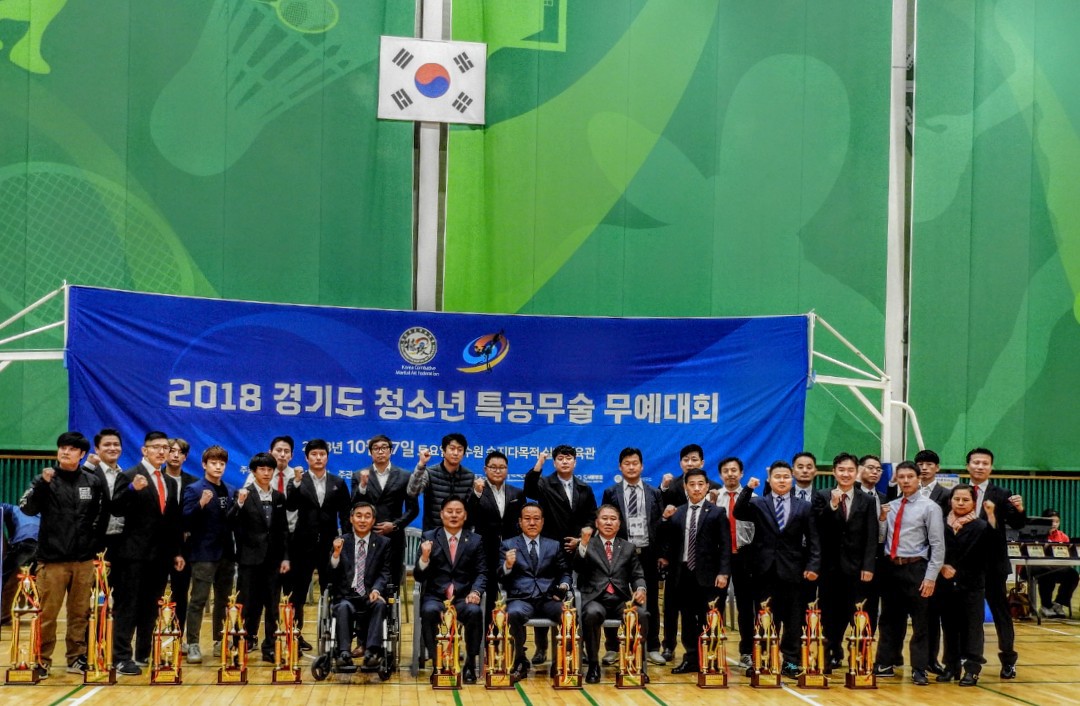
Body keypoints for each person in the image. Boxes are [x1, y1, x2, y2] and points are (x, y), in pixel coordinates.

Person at [18, 431, 107, 678]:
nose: (65, 452)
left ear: (82, 454)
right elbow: (27, 508)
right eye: (62, 447)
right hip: (52, 560)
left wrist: (92, 546)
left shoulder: (92, 481)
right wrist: (41, 485)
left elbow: (99, 516)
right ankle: (41, 660)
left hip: (83, 560)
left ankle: (76, 658)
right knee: (47, 614)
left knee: (80, 613)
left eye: (71, 449)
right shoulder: (45, 478)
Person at [733, 460, 820, 678]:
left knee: (793, 619)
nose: (782, 480)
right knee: (765, 617)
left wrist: (813, 565)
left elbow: (814, 540)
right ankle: (763, 660)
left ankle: (790, 661)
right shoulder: (759, 503)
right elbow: (738, 512)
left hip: (794, 571)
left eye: (785, 477)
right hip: (764, 571)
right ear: (770, 480)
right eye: (777, 477)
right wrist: (747, 489)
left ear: (792, 479)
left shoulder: (804, 506)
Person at [110, 431, 184, 677]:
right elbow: (116, 508)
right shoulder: (129, 475)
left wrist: (177, 552)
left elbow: (173, 520)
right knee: (128, 605)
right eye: (156, 447)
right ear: (144, 450)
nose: (162, 452)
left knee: (151, 606)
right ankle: (121, 656)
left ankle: (143, 652)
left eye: (166, 447)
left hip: (160, 556)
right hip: (132, 554)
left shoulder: (169, 482)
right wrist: (132, 489)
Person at [872, 461, 945, 686]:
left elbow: (938, 545)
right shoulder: (890, 506)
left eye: (910, 477)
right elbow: (881, 538)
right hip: (892, 567)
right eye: (901, 477)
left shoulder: (930, 507)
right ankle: (885, 662)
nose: (905, 481)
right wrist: (882, 520)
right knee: (889, 619)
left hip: (916, 568)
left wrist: (931, 577)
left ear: (918, 479)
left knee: (921, 622)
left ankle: (919, 668)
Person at [522, 444, 597, 664]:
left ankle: (577, 645)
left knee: (576, 600)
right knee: (545, 595)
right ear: (554, 463)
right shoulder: (545, 484)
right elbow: (529, 489)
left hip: (577, 550)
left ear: (575, 462)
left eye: (569, 458)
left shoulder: (584, 488)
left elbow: (592, 517)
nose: (565, 461)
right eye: (560, 459)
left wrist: (581, 539)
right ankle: (541, 647)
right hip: (549, 550)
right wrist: (539, 463)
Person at [659, 467, 731, 674]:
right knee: (688, 619)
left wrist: (723, 572)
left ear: (707, 486)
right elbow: (666, 540)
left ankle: (712, 659)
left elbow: (725, 545)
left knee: (710, 618)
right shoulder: (677, 513)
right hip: (683, 574)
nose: (696, 488)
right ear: (685, 487)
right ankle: (691, 658)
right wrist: (664, 519)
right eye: (692, 484)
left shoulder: (717, 512)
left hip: (709, 575)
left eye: (701, 484)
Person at [964, 447, 1026, 679]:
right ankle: (969, 660)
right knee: (969, 615)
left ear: (991, 467)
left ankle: (1008, 660)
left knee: (1001, 613)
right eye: (976, 462)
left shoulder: (1002, 493)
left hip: (993, 565)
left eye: (985, 463)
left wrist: (1019, 509)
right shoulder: (959, 492)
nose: (980, 466)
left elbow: (1017, 524)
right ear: (968, 466)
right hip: (967, 566)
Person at [601, 447, 665, 665]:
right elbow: (606, 522)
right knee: (614, 598)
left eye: (635, 463)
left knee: (650, 600)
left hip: (647, 553)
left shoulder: (654, 493)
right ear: (620, 467)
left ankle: (652, 646)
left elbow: (660, 526)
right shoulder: (611, 492)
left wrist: (662, 554)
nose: (631, 467)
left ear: (642, 466)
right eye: (626, 463)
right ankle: (612, 647)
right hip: (619, 554)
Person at [285, 437, 351, 648]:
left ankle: (332, 637)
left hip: (330, 546)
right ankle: (295, 637)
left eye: (322, 454)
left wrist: (345, 540)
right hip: (302, 545)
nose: (318, 457)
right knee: (298, 593)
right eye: (314, 454)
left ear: (327, 457)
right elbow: (291, 505)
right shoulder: (297, 480)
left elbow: (345, 514)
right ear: (307, 458)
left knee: (330, 590)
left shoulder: (338, 482)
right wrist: (296, 483)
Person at [814, 452, 877, 672]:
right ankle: (831, 653)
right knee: (830, 613)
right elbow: (818, 528)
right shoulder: (822, 496)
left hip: (857, 568)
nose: (846, 474)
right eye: (841, 470)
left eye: (850, 470)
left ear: (857, 472)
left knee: (857, 613)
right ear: (834, 472)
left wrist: (868, 566)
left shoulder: (867, 500)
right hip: (829, 568)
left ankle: (859, 658)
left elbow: (871, 535)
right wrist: (832, 506)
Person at [415, 496, 487, 684]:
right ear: (441, 514)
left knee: (475, 612)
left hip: (463, 598)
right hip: (436, 597)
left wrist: (476, 591)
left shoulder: (475, 540)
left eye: (458, 512)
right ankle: (437, 664)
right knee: (428, 611)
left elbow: (482, 572)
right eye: (449, 511)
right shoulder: (429, 537)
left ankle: (470, 663)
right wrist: (424, 558)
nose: (454, 515)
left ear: (465, 515)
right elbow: (419, 576)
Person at [574, 504, 648, 684]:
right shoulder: (587, 543)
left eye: (613, 519)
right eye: (604, 518)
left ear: (619, 524)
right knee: (592, 613)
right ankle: (593, 665)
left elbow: (637, 575)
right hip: (595, 598)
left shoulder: (628, 547)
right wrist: (583, 544)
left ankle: (635, 664)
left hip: (620, 599)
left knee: (640, 614)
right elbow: (577, 567)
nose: (608, 522)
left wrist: (640, 589)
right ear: (596, 523)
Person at [498, 502, 572, 680]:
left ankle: (561, 662)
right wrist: (507, 565)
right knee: (513, 613)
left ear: (543, 521)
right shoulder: (508, 545)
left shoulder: (553, 545)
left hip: (548, 598)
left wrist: (564, 586)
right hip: (521, 598)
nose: (532, 523)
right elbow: (500, 577)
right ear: (520, 522)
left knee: (567, 614)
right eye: (527, 519)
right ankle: (520, 661)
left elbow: (565, 572)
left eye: (536, 519)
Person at [658, 443, 718, 661]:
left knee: (700, 609)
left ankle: (704, 649)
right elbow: (663, 522)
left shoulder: (714, 488)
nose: (690, 463)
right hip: (676, 558)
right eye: (686, 460)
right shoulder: (671, 487)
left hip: (703, 561)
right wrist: (664, 554)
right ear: (680, 463)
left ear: (702, 462)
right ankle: (668, 645)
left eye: (694, 459)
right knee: (671, 606)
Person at [231, 452, 291, 661]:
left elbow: (283, 530)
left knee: (272, 606)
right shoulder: (243, 494)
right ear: (254, 472)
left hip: (273, 560)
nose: (266, 473)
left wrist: (285, 557)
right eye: (262, 469)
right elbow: (230, 521)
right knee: (247, 603)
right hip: (249, 559)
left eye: (269, 469)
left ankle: (270, 647)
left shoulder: (279, 497)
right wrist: (239, 503)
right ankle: (242, 643)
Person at [181, 445, 236, 663]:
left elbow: (232, 521)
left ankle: (220, 640)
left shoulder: (230, 490)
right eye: (213, 463)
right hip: (203, 553)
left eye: (221, 464)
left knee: (223, 600)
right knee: (198, 600)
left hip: (226, 553)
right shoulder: (194, 489)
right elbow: (185, 520)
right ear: (204, 465)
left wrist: (240, 505)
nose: (218, 467)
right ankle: (193, 643)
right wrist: (201, 504)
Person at [937, 484, 995, 686]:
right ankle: (951, 666)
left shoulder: (981, 526)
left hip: (972, 585)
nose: (960, 503)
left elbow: (987, 557)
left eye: (965, 500)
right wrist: (942, 566)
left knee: (972, 628)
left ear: (974, 502)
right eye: (957, 499)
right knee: (949, 627)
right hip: (945, 584)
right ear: (950, 501)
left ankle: (972, 669)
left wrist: (958, 571)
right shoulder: (941, 524)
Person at [327, 502, 393, 669]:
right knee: (343, 607)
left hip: (370, 594)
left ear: (373, 520)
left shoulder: (383, 543)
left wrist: (377, 589)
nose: (362, 520)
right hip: (346, 595)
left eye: (367, 516)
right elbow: (331, 574)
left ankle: (371, 652)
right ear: (351, 519)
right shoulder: (341, 542)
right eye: (358, 516)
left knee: (379, 605)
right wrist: (336, 555)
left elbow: (385, 572)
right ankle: (344, 653)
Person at [465, 450, 525, 623]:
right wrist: (476, 494)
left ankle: (511, 635)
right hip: (485, 550)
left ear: (507, 469)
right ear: (485, 469)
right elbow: (468, 517)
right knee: (489, 594)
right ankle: (490, 635)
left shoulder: (517, 493)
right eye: (493, 467)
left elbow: (522, 522)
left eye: (502, 467)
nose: (498, 471)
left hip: (511, 551)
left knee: (514, 595)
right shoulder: (475, 491)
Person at [350, 434, 418, 579]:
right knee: (366, 579)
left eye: (384, 448)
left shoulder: (405, 476)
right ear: (370, 452)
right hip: (367, 535)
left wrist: (394, 525)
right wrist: (362, 485)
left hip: (394, 537)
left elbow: (413, 509)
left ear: (391, 451)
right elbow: (353, 506)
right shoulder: (358, 476)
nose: (380, 451)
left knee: (392, 581)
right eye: (376, 448)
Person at [711, 456, 756, 668]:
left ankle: (747, 651)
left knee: (746, 607)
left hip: (744, 557)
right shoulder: (713, 498)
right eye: (726, 471)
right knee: (715, 605)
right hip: (719, 558)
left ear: (741, 473)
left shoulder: (753, 498)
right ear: (721, 475)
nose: (730, 474)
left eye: (734, 470)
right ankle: (712, 650)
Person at [164, 437, 198, 649]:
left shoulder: (193, 483)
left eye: (180, 452)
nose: (175, 455)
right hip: (158, 545)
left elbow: (194, 516)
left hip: (184, 547)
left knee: (180, 592)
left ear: (185, 457)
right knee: (153, 594)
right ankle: (152, 638)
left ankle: (178, 635)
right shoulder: (156, 479)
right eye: (171, 450)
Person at [408, 432, 476, 531]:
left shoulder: (469, 476)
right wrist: (421, 464)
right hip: (433, 533)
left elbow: (471, 509)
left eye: (460, 450)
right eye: (452, 448)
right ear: (443, 451)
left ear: (464, 453)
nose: (456, 453)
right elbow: (412, 492)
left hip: (460, 534)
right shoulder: (430, 473)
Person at [857, 454, 888, 632]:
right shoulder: (850, 495)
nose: (875, 472)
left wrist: (883, 520)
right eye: (870, 468)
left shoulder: (883, 498)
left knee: (870, 610)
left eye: (878, 469)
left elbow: (882, 536)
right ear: (859, 469)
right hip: (851, 561)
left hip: (876, 562)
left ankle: (866, 645)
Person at [83, 428, 125, 557]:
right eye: (107, 445)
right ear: (97, 449)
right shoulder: (89, 473)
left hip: (121, 541)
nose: (112, 448)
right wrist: (88, 467)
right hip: (94, 540)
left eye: (116, 444)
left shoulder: (125, 475)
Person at [1033, 509, 1077, 618]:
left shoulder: (1063, 537)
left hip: (1057, 567)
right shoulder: (1035, 535)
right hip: (1037, 568)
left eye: (1057, 521)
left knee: (1073, 575)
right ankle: (1046, 606)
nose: (1054, 524)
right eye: (1051, 521)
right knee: (1048, 572)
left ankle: (1058, 603)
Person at [1, 501, 39, 624]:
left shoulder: (14, 509)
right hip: (42, 547)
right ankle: (31, 599)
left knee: (4, 576)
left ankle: (3, 612)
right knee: (37, 575)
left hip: (25, 545)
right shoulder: (41, 513)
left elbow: (2, 507)